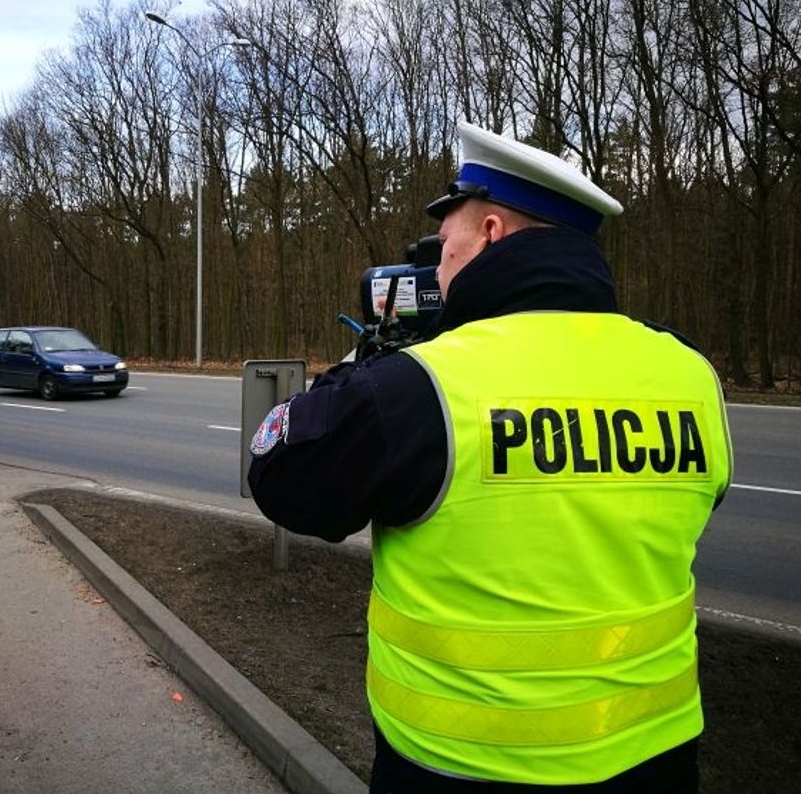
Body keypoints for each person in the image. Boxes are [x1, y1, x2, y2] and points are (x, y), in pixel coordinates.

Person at [247, 122, 733, 792]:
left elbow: (282, 477)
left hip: (463, 768)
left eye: (445, 244)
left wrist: (371, 358)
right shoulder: (689, 374)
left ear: (493, 233)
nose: (436, 265)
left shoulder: (421, 386)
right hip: (658, 757)